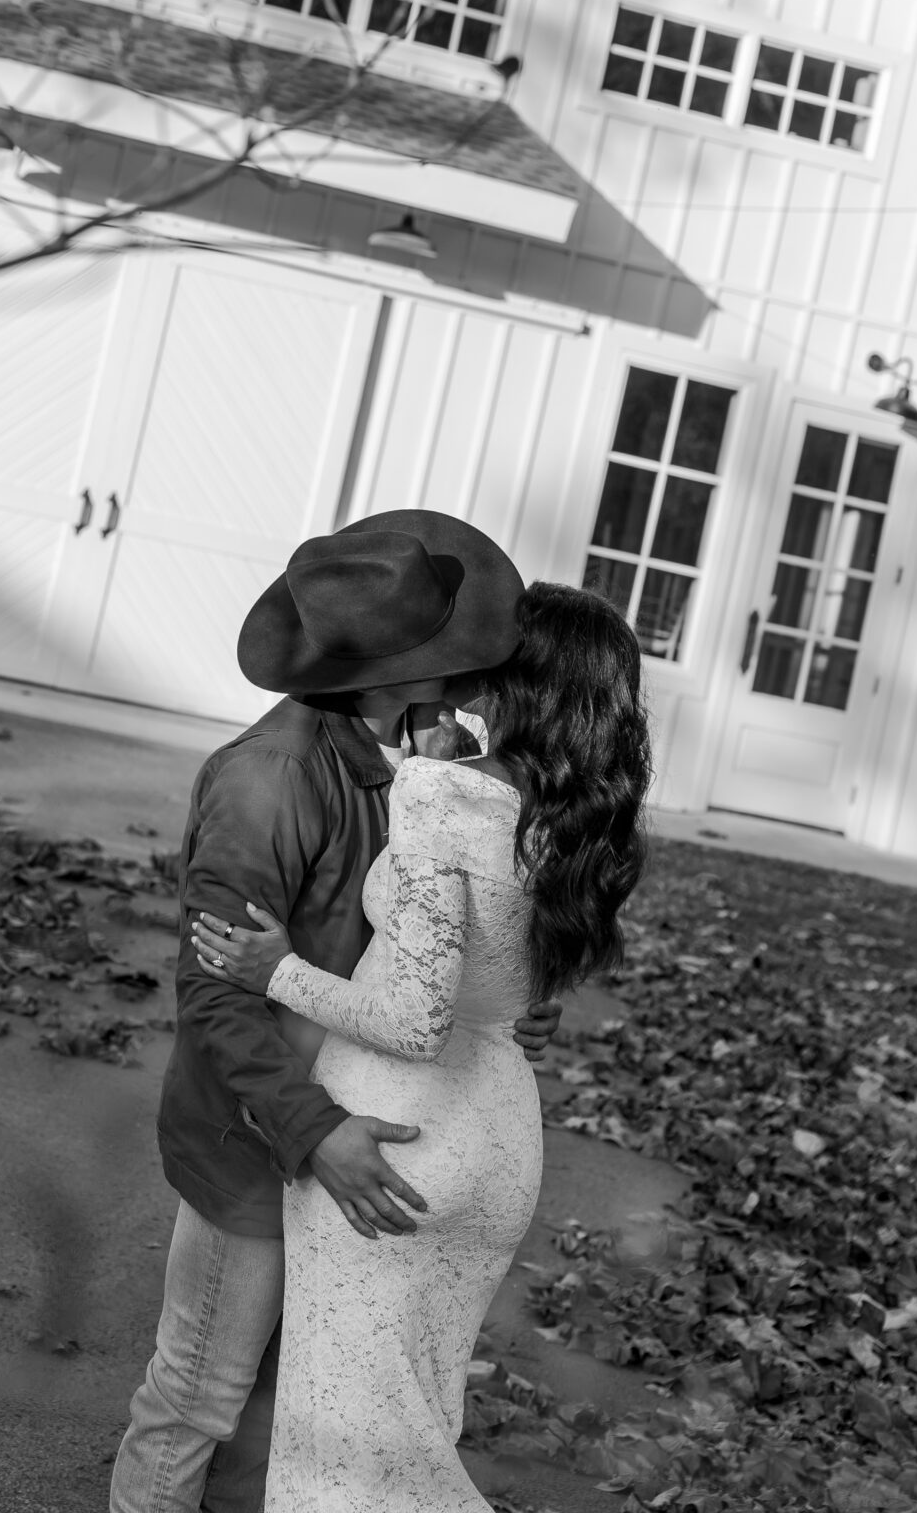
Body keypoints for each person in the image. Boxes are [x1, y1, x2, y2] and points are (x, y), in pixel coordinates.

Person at [108, 510, 566, 1513]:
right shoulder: (270, 782)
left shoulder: (412, 760)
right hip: (263, 1139)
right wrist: (316, 1134)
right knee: (199, 1395)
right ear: (393, 674)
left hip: (350, 1127)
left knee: (292, 1418)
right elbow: (218, 992)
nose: (475, 674)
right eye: (452, 659)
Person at [191, 573, 652, 1513]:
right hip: (497, 1143)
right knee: (414, 1432)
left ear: (518, 678)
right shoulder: (576, 816)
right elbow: (499, 979)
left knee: (344, 1460)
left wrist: (271, 968)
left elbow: (412, 1016)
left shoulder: (442, 795)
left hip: (398, 1136)